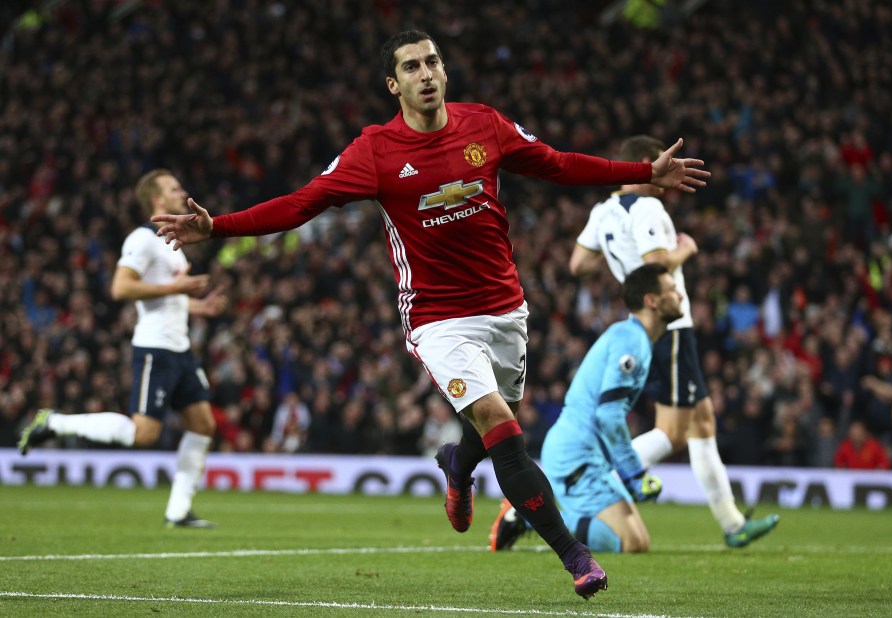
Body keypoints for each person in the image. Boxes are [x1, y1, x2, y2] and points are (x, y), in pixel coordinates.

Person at [150, 31, 709, 598]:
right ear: (394, 84)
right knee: (502, 429)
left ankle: (457, 465)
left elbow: (558, 164)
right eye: (412, 66)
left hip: (505, 308)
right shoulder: (374, 150)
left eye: (433, 62)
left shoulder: (485, 124)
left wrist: (641, 171)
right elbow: (301, 203)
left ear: (444, 71)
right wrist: (217, 225)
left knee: (491, 431)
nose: (426, 73)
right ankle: (576, 557)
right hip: (438, 318)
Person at [568, 135, 778, 548]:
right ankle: (580, 494)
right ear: (648, 162)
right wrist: (685, 250)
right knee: (674, 432)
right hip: (669, 326)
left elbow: (578, 264)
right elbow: (655, 264)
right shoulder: (647, 206)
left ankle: (732, 523)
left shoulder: (604, 209)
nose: (672, 170)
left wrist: (616, 258)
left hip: (649, 325)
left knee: (703, 424)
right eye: (667, 162)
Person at [19, 169, 227, 528]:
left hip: (181, 349)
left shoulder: (172, 245)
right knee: (142, 434)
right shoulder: (142, 239)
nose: (183, 192)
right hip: (155, 350)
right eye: (174, 189)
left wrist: (198, 306)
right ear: (156, 200)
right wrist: (179, 290)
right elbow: (121, 288)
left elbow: (165, 297)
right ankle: (55, 422)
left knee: (204, 424)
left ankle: (178, 511)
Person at [490, 263, 679, 554]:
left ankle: (531, 516)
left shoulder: (633, 337)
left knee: (638, 542)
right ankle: (527, 517)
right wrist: (634, 473)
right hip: (576, 454)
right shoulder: (632, 341)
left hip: (585, 453)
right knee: (631, 543)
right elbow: (609, 413)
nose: (679, 295)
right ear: (651, 301)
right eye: (671, 290)